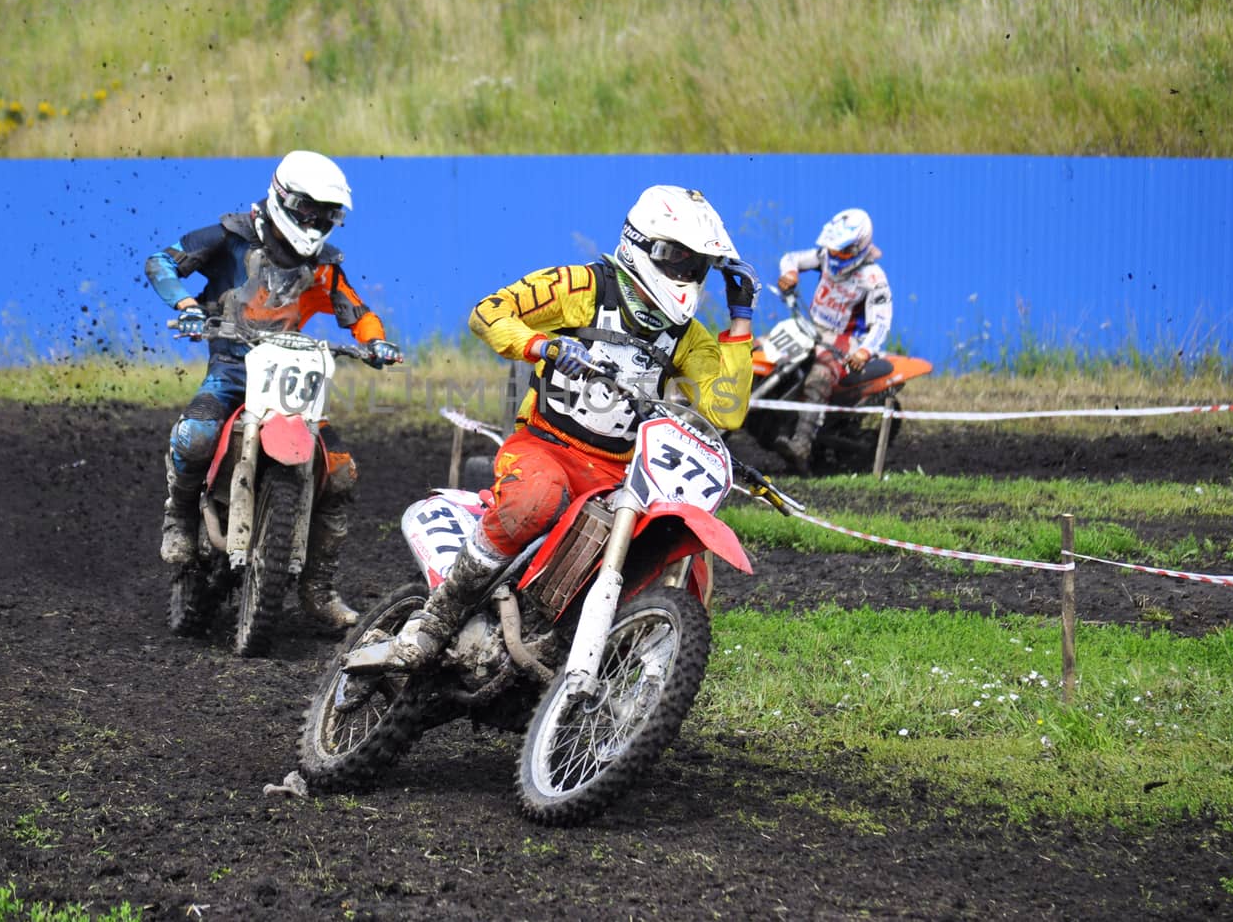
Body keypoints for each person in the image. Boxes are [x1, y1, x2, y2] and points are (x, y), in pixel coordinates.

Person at [345, 184, 759, 673]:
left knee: (678, 551)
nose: (687, 275)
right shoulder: (582, 287)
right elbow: (489, 313)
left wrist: (740, 319)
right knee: (535, 499)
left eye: (697, 267)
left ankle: (627, 679)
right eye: (678, 260)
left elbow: (723, 410)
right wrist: (542, 346)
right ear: (642, 244)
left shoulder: (689, 338)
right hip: (546, 445)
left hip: (622, 475)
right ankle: (435, 621)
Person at [144, 150, 401, 629]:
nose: (320, 221)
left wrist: (377, 342)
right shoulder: (230, 237)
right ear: (285, 198)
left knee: (341, 472)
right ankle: (179, 515)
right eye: (312, 209)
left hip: (288, 376)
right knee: (197, 434)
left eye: (330, 214)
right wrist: (186, 304)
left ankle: (318, 586)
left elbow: (357, 311)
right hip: (231, 367)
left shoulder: (323, 263)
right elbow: (161, 261)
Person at [770, 207, 893, 475]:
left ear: (858, 246)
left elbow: (882, 322)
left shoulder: (874, 278)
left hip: (845, 340)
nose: (835, 255)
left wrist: (864, 351)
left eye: (842, 250)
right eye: (833, 249)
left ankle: (801, 445)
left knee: (819, 375)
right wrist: (789, 273)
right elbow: (791, 258)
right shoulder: (825, 256)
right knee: (766, 350)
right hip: (810, 326)